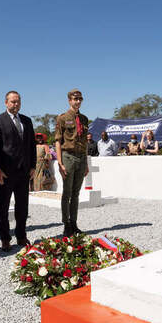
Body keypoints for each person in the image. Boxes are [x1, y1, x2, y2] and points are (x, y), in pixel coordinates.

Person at [0, 91, 36, 251]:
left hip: (24, 172)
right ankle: (5, 237)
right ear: (6, 102)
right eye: (12, 101)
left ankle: (21, 235)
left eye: (18, 101)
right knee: (3, 208)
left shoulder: (27, 121)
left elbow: (31, 145)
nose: (15, 104)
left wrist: (33, 166)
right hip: (6, 173)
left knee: (22, 207)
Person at [55, 89, 89, 237]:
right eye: (75, 99)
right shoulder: (62, 118)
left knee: (76, 193)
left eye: (80, 99)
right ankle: (66, 224)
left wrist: (86, 162)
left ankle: (74, 223)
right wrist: (60, 163)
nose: (78, 101)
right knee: (67, 193)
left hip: (81, 158)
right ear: (69, 100)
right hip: (68, 157)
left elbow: (84, 143)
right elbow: (58, 141)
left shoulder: (84, 119)